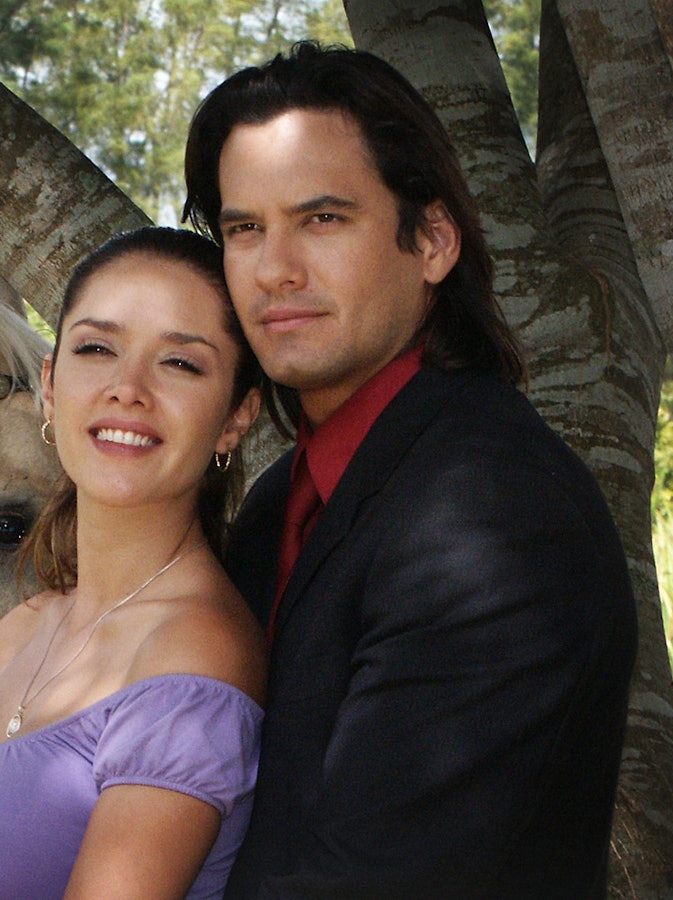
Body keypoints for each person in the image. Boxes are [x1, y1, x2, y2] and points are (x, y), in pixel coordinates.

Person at [180, 41, 638, 897]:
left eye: (323, 219)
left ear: (431, 241)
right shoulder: (281, 502)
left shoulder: (497, 514)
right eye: (245, 229)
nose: (275, 270)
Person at [0, 227, 267, 899]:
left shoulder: (190, 654)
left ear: (237, 416)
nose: (128, 388)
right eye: (96, 348)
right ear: (51, 386)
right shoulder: (20, 632)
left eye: (180, 363)